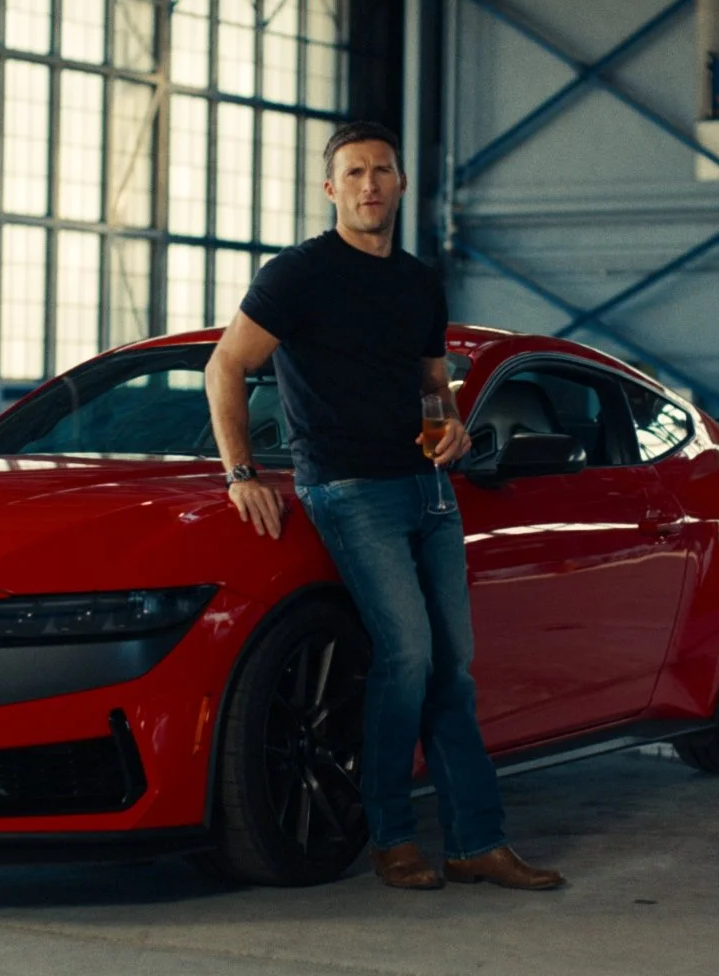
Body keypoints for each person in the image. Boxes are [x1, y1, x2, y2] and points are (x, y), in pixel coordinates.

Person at [204, 121, 565, 891]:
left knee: (453, 668)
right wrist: (241, 473)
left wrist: (450, 426)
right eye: (355, 172)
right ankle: (391, 836)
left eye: (383, 171)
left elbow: (434, 378)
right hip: (347, 489)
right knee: (406, 656)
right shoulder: (297, 275)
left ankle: (476, 842)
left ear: (401, 185)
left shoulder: (416, 281)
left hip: (430, 490)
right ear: (330, 188)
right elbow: (226, 365)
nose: (371, 184)